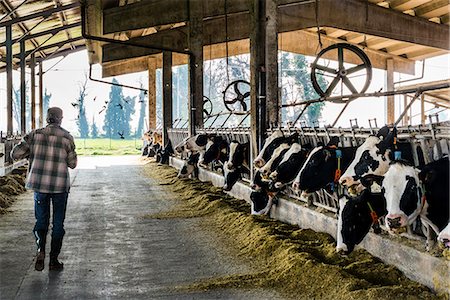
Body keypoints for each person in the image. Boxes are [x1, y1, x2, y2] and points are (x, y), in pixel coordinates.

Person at [11, 107, 77, 271]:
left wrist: (31, 153)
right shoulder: (67, 137)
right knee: (58, 223)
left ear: (47, 118)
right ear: (61, 119)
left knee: (41, 220)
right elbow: (73, 164)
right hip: (60, 186)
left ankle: (41, 250)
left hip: (40, 185)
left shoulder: (34, 135)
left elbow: (15, 154)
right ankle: (54, 260)